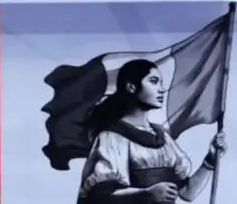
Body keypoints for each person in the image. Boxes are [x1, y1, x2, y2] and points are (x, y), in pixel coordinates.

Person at [76, 59, 225, 204]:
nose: (161, 89)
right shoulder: (112, 137)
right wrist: (145, 194)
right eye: (153, 81)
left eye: (160, 82)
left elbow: (187, 193)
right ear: (131, 87)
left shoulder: (163, 137)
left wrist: (210, 161)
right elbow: (101, 197)